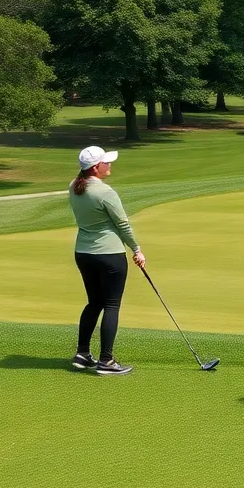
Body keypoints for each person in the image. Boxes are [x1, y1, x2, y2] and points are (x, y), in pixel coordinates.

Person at [68, 146, 145, 376]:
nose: (110, 165)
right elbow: (123, 225)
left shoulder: (74, 186)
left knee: (94, 303)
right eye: (106, 162)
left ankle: (82, 353)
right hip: (109, 255)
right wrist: (137, 249)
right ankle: (106, 361)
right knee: (111, 305)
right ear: (95, 167)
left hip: (83, 253)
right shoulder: (105, 192)